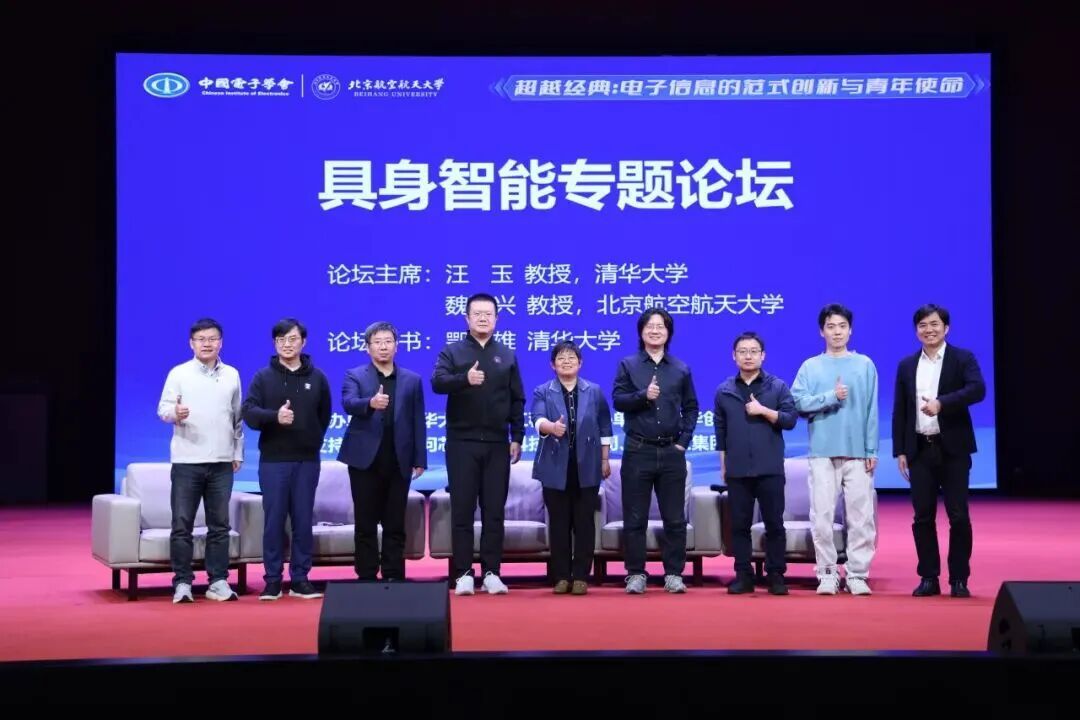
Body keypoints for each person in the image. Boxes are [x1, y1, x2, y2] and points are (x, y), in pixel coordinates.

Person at [432, 293, 525, 596]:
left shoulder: (506, 354)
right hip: (462, 443)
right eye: (477, 314)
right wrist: (464, 379)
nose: (483, 318)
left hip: (497, 444)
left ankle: (492, 572)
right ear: (467, 318)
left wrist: (517, 436)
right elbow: (437, 382)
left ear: (497, 319)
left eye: (488, 314)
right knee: (462, 510)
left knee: (494, 510)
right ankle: (462, 573)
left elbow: (517, 399)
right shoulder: (453, 351)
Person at [892, 304, 986, 598]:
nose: (928, 330)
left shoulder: (962, 358)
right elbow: (900, 410)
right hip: (920, 448)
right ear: (916, 331)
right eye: (922, 325)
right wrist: (900, 450)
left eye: (934, 324)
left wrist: (942, 403)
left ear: (946, 328)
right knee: (922, 516)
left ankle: (959, 578)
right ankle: (928, 577)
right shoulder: (907, 365)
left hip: (954, 449)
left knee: (958, 515)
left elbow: (978, 389)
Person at [791, 304, 879, 596]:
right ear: (822, 331)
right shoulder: (810, 366)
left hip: (857, 452)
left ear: (850, 330)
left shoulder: (864, 364)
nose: (837, 332)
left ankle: (857, 574)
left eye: (842, 326)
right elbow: (797, 403)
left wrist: (871, 450)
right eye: (831, 326)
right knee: (822, 516)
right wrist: (831, 396)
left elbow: (872, 410)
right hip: (822, 451)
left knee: (861, 517)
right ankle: (827, 573)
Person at [241, 318, 331, 601]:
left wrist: (311, 442)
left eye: (292, 339)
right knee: (274, 521)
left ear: (303, 342)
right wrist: (274, 417)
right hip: (274, 461)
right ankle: (272, 580)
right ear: (275, 344)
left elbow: (324, 416)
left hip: (307, 461)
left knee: (303, 521)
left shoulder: (318, 378)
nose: (287, 344)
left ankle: (300, 579)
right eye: (281, 340)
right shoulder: (263, 377)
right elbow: (249, 413)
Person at [156, 318, 244, 604]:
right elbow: (163, 409)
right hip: (187, 461)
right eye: (201, 339)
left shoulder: (232, 374)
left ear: (221, 342)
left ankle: (218, 581)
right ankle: (182, 582)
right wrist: (175, 413)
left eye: (212, 339)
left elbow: (237, 418)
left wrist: (237, 452)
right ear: (191, 343)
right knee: (182, 524)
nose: (207, 344)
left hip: (221, 461)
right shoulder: (179, 373)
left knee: (220, 525)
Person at [612, 308, 699, 594]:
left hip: (671, 452)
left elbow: (691, 408)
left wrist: (683, 442)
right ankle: (636, 573)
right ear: (641, 331)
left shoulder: (681, 369)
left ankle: (673, 573)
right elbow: (618, 401)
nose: (655, 330)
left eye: (660, 326)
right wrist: (642, 396)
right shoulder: (628, 365)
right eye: (649, 326)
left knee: (674, 518)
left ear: (668, 332)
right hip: (638, 450)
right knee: (634, 517)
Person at [339, 321, 427, 583]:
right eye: (377, 342)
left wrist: (419, 458)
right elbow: (348, 403)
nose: (383, 347)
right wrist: (371, 403)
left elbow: (418, 421)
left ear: (397, 346)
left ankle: (393, 574)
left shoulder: (412, 380)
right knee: (365, 522)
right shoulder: (355, 375)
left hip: (399, 459)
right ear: (367, 348)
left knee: (395, 522)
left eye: (388, 341)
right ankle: (366, 575)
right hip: (364, 460)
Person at [713, 332, 797, 595]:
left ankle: (776, 575)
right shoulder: (724, 390)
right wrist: (724, 465)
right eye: (742, 351)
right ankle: (743, 575)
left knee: (774, 524)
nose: (748, 356)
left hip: (770, 468)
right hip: (737, 470)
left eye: (753, 351)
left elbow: (790, 419)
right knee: (739, 526)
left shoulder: (777, 387)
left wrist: (763, 411)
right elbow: (720, 432)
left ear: (763, 355)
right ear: (734, 356)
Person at [531, 341, 613, 595]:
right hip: (554, 467)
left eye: (571, 358)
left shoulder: (594, 391)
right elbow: (537, 418)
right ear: (552, 365)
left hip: (587, 466)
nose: (566, 362)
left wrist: (605, 459)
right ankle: (561, 576)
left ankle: (580, 576)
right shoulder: (543, 391)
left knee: (584, 523)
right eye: (561, 358)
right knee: (559, 523)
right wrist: (551, 427)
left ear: (580, 363)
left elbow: (605, 426)